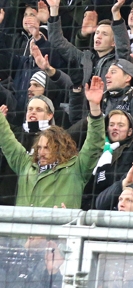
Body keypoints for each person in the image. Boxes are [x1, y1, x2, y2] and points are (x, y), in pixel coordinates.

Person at [0, 76, 106, 208]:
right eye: (39, 147)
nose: (41, 152)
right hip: (22, 228)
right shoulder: (25, 164)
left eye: (47, 148)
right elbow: (6, 139)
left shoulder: (77, 169)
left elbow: (94, 144)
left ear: (60, 148)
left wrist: (95, 107)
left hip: (61, 228)